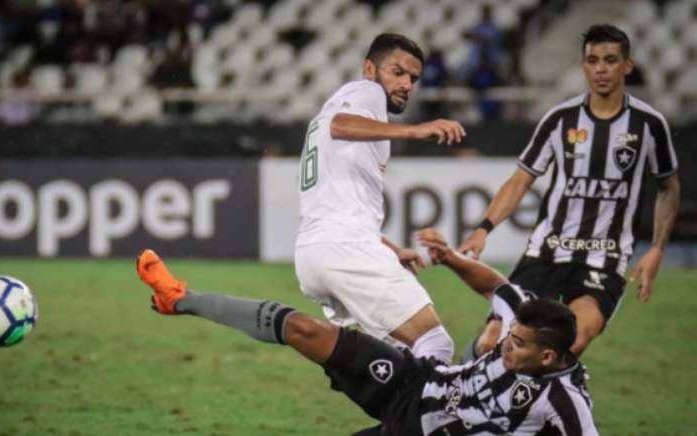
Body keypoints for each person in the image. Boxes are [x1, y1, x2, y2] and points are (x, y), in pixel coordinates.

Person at [135, 241, 598, 435]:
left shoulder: (565, 402)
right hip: (416, 383)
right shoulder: (526, 316)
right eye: (509, 336)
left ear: (549, 356)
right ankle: (180, 298)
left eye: (517, 345)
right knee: (306, 329)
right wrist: (451, 259)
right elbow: (496, 286)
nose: (506, 344)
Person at [458, 24, 681, 359]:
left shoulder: (649, 125)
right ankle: (461, 387)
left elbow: (668, 186)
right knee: (495, 342)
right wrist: (484, 228)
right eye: (593, 60)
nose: (601, 69)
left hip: (603, 258)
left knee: (569, 343)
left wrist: (657, 249)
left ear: (627, 66)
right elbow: (521, 180)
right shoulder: (560, 119)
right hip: (546, 252)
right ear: (583, 65)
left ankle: (541, 409)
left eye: (610, 60)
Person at [294, 33, 466, 364]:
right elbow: (340, 125)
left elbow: (339, 201)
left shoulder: (337, 109)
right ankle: (427, 417)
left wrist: (388, 248)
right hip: (345, 247)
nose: (406, 84)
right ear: (370, 69)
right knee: (435, 344)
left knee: (395, 358)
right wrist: (416, 130)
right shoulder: (365, 91)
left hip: (314, 252)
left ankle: (396, 416)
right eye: (397, 72)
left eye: (413, 79)